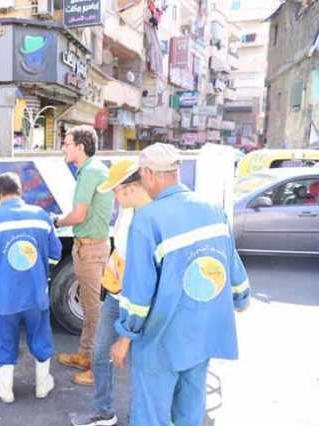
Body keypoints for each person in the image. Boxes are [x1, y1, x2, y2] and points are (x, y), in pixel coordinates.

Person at [110, 143, 251, 425]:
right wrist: (241, 299)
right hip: (204, 333)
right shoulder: (212, 209)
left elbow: (139, 294)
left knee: (151, 413)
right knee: (190, 411)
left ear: (149, 174)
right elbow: (231, 264)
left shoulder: (147, 220)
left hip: (163, 337)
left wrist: (125, 337)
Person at [0, 172, 62, 403]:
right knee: (40, 338)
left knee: (3, 340)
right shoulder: (41, 216)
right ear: (21, 191)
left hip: (5, 298)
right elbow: (55, 254)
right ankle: (42, 386)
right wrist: (41, 268)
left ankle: (6, 390)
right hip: (36, 295)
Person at [72, 159, 151, 426]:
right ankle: (104, 412)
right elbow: (124, 251)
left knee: (140, 362)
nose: (113, 198)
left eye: (115, 191)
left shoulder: (151, 218)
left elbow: (145, 275)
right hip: (118, 295)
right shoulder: (127, 211)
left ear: (130, 187)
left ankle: (143, 416)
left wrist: (126, 337)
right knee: (100, 352)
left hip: (137, 300)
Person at [54, 125, 114, 386]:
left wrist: (57, 222)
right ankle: (84, 355)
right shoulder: (91, 170)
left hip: (91, 248)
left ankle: (96, 367)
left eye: (67, 143)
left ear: (81, 146)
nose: (64, 147)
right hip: (87, 247)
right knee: (91, 308)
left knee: (93, 311)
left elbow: (78, 215)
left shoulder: (90, 172)